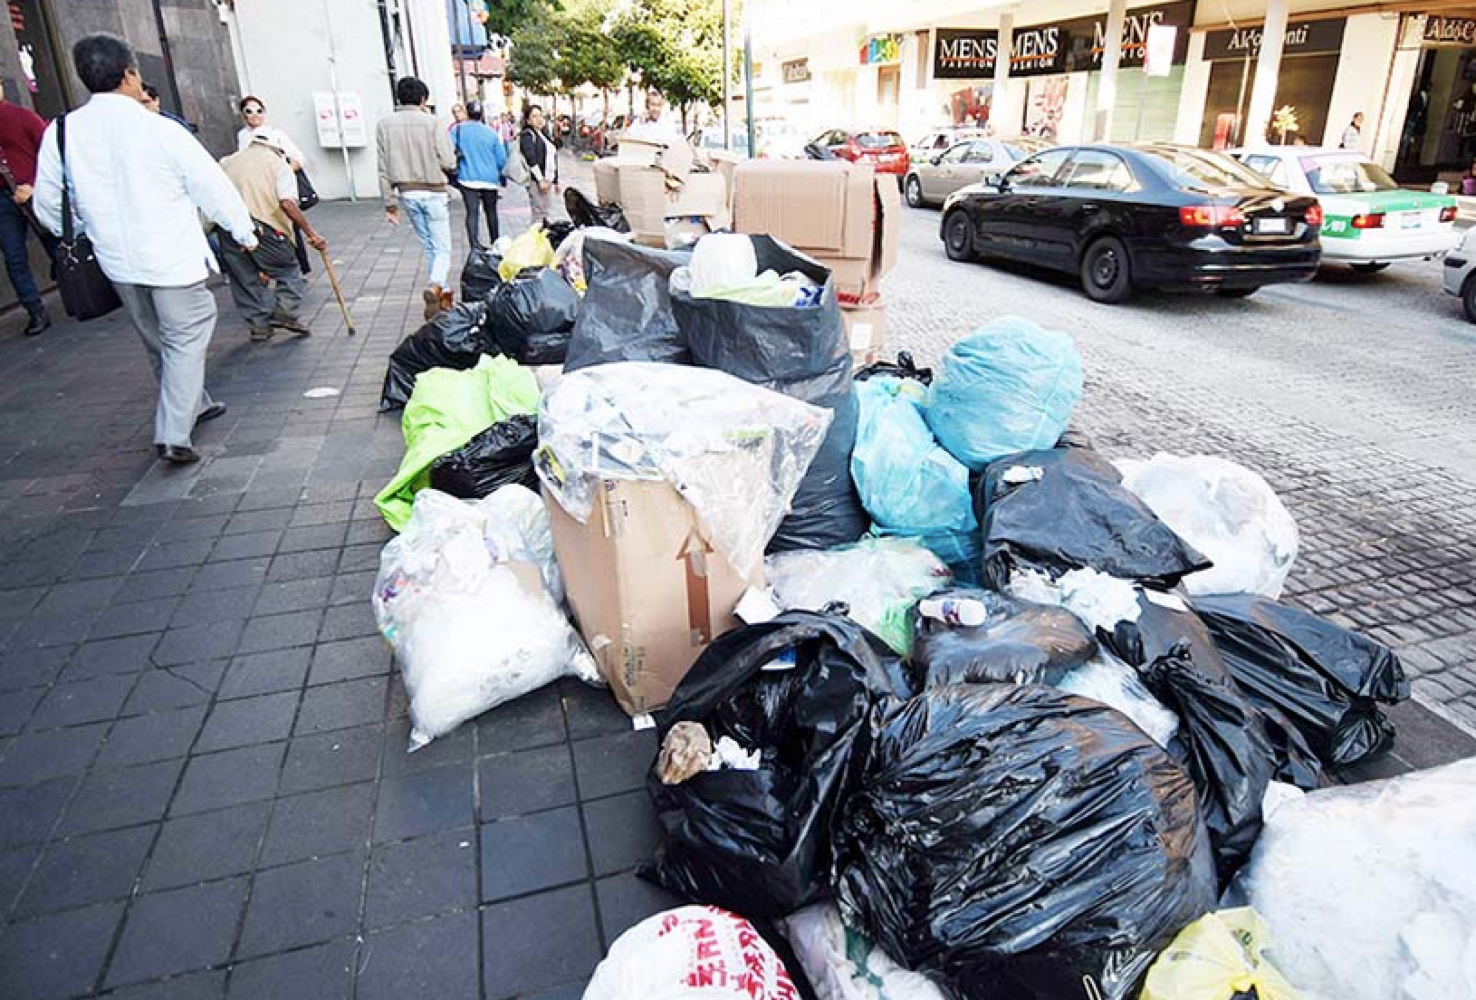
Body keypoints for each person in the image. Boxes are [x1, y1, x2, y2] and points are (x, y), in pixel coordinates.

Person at [33, 33, 258, 465]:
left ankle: (196, 402)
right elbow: (211, 185)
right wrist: (244, 232)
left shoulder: (62, 132)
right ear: (131, 74)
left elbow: (47, 203)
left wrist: (88, 227)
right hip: (170, 256)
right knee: (187, 333)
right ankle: (173, 431)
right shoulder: (158, 129)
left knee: (157, 338)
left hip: (115, 259)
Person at [217, 129, 327, 341]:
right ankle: (285, 311)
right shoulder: (278, 164)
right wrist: (311, 233)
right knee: (288, 270)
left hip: (229, 228)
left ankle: (259, 326)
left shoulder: (226, 162)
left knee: (244, 279)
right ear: (279, 148)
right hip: (265, 227)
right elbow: (287, 202)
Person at [378, 76, 457, 319]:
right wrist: (450, 166)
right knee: (443, 247)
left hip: (407, 193)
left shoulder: (384, 125)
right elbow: (447, 160)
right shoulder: (433, 123)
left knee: (430, 245)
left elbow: (382, 167)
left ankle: (441, 295)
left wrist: (390, 203)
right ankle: (435, 284)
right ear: (423, 98)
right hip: (433, 191)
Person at [0, 77, 58, 335]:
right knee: (14, 257)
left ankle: (79, 293)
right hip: (4, 199)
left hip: (34, 193)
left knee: (56, 247)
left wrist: (34, 184)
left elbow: (50, 153)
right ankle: (36, 312)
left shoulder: (22, 117)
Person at [451, 100, 506, 249]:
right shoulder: (491, 133)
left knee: (472, 213)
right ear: (481, 114)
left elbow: (448, 150)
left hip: (467, 177)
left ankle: (474, 246)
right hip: (489, 178)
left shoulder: (458, 130)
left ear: (467, 113)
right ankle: (495, 243)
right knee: (491, 212)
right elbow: (501, 159)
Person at [518, 104, 559, 227]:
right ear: (528, 121)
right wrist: (540, 179)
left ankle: (543, 241)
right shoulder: (528, 135)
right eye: (534, 116)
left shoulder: (544, 135)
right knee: (538, 214)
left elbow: (552, 158)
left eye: (541, 115)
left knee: (545, 213)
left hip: (548, 180)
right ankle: (534, 241)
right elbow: (531, 158)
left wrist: (556, 180)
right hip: (537, 181)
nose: (539, 119)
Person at [236, 96, 304, 167]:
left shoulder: (275, 134)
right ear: (243, 114)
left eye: (259, 111)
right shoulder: (242, 135)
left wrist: (285, 173)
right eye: (249, 111)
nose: (255, 115)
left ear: (264, 112)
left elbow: (299, 158)